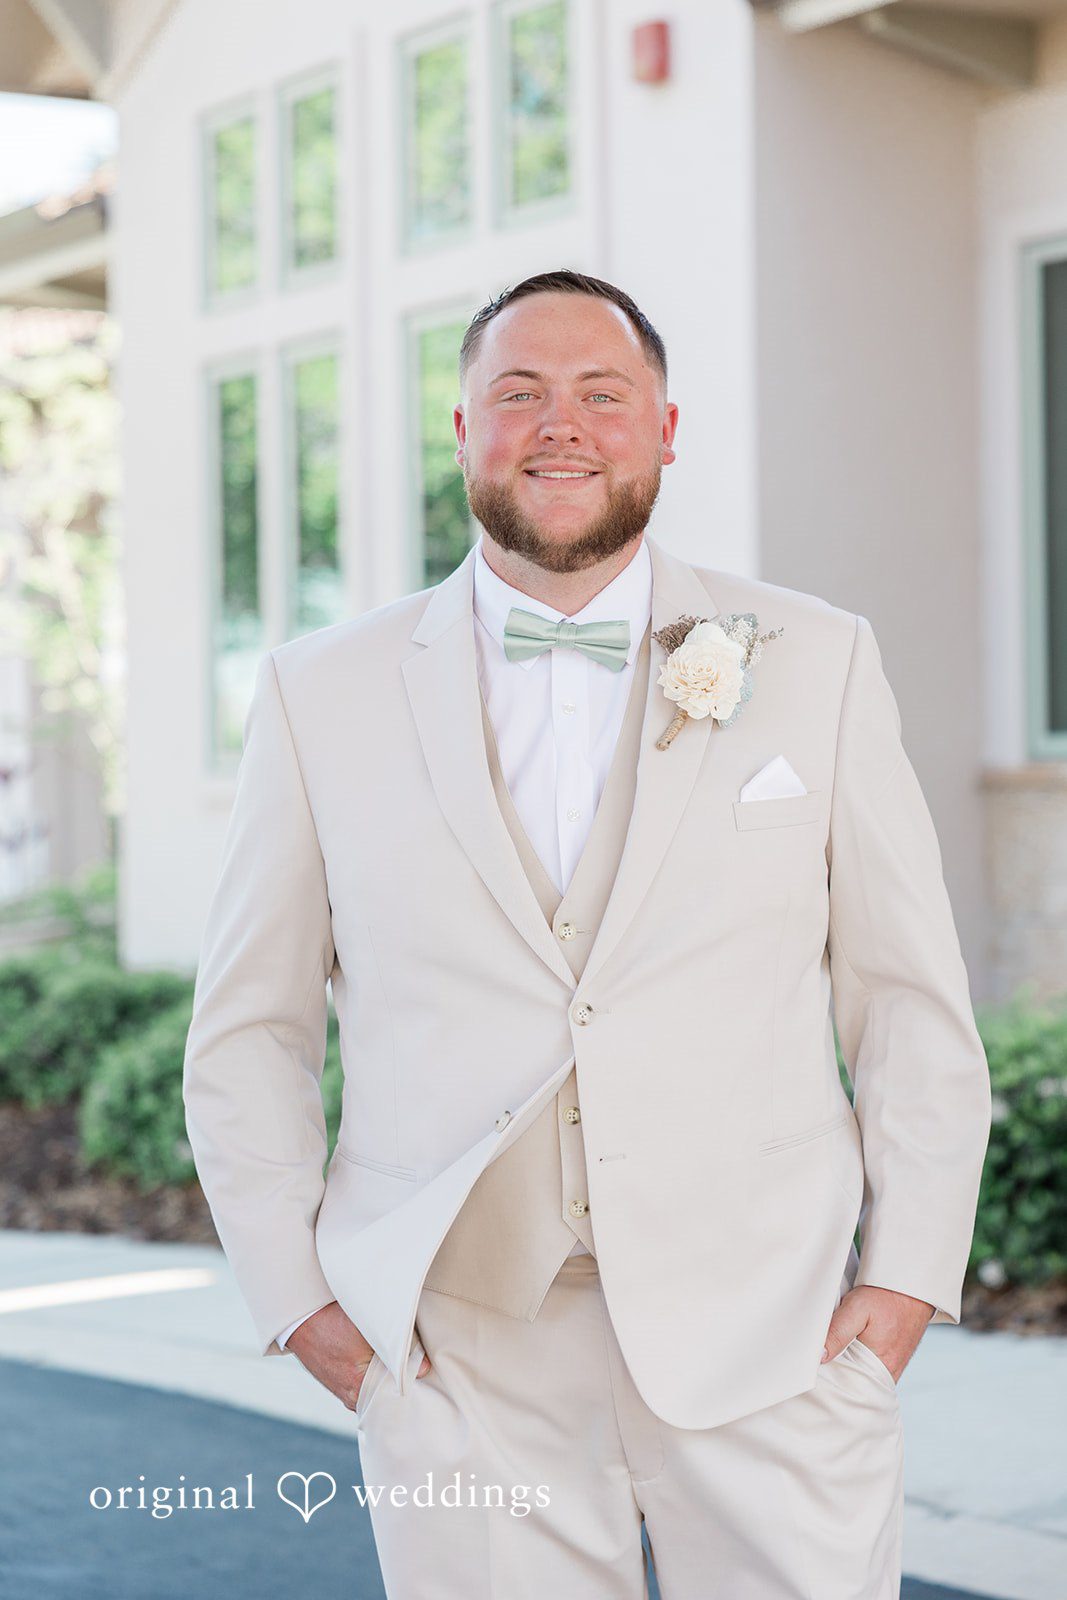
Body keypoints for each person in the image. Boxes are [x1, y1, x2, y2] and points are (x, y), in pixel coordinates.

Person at [183, 268, 992, 1598]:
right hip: (458, 1344)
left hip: (773, 1334)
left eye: (601, 394)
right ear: (460, 432)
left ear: (665, 428)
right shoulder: (317, 692)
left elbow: (906, 999)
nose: (561, 425)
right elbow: (249, 1033)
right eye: (518, 393)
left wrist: (904, 1282)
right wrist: (307, 1310)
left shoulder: (816, 655)